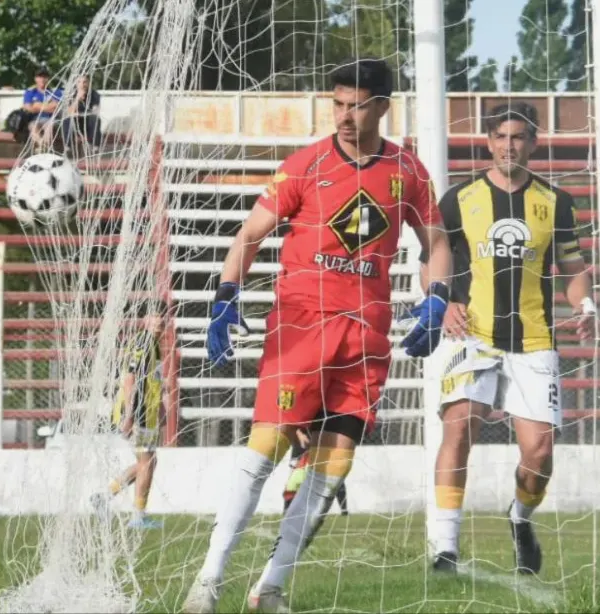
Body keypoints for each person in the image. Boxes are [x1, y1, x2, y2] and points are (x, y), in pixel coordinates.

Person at [183, 57, 452, 614]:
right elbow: (249, 235)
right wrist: (225, 297)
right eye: (337, 103)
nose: (345, 116)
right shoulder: (306, 165)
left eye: (357, 104)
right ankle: (208, 583)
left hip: (367, 337)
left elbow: (437, 244)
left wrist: (438, 295)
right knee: (265, 449)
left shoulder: (409, 171)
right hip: (302, 325)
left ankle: (271, 587)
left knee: (335, 464)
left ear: (382, 106)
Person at [420, 102, 596, 576]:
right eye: (501, 136)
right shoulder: (459, 199)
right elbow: (431, 260)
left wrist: (585, 306)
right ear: (488, 141)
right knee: (459, 427)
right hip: (471, 334)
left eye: (518, 137)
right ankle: (445, 549)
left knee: (539, 452)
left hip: (534, 339)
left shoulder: (556, 202)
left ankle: (520, 518)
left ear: (533, 143)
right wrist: (442, 301)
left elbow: (574, 270)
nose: (509, 145)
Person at [89, 313, 167, 530]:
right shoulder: (143, 341)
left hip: (147, 413)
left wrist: (160, 408)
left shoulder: (155, 345)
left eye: (163, 317)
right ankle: (138, 517)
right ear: (145, 320)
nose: (160, 321)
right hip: (139, 413)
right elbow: (131, 378)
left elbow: (153, 381)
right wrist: (130, 416)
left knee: (148, 462)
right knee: (147, 462)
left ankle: (104, 496)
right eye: (155, 316)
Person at [282, 428, 348, 516]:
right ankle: (287, 509)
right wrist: (300, 435)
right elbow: (294, 422)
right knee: (295, 479)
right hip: (302, 445)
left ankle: (344, 510)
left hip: (323, 444)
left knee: (334, 475)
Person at [22, 68, 63, 150]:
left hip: (51, 119)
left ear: (48, 79)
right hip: (34, 119)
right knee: (33, 126)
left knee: (49, 126)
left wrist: (37, 105)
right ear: (35, 79)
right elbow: (28, 108)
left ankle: (43, 149)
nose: (42, 79)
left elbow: (56, 107)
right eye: (39, 77)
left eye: (45, 77)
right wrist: (48, 106)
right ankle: (43, 146)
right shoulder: (30, 91)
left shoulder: (55, 91)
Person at [62, 74, 102, 149]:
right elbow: (69, 112)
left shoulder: (94, 94)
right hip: (76, 121)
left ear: (88, 83)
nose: (82, 84)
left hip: (87, 122)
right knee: (66, 120)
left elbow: (95, 111)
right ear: (76, 83)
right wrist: (77, 99)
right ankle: (68, 147)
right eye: (79, 82)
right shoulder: (71, 94)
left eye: (84, 82)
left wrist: (80, 113)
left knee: (95, 119)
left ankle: (95, 146)